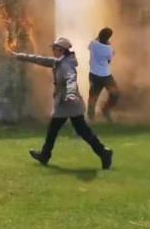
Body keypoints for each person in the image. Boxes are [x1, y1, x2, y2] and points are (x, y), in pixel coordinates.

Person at [9, 37, 113, 169]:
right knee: (81, 132)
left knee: (58, 130)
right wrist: (20, 56)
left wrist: (70, 95)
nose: (53, 50)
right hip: (69, 105)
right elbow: (40, 59)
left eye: (54, 48)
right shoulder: (60, 61)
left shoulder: (66, 65)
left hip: (69, 105)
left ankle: (46, 155)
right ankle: (104, 152)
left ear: (61, 50)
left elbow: (71, 80)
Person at [87, 27, 121, 122]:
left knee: (93, 96)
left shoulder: (93, 44)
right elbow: (109, 60)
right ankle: (105, 109)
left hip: (94, 74)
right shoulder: (109, 49)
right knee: (115, 94)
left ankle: (91, 116)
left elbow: (91, 46)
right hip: (105, 75)